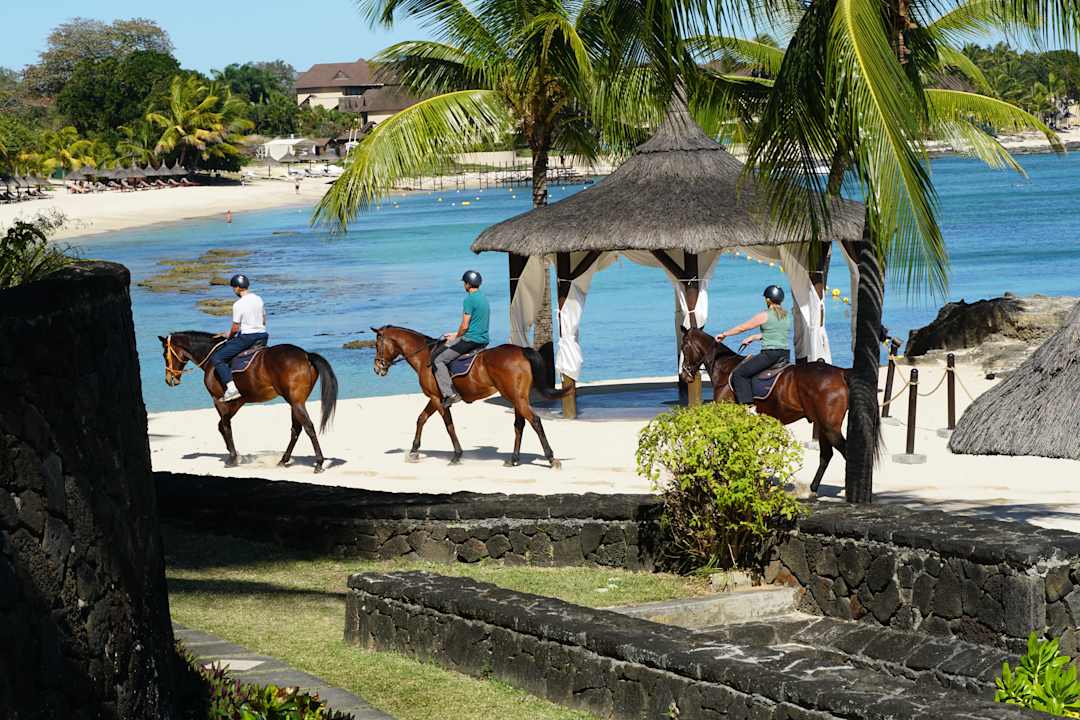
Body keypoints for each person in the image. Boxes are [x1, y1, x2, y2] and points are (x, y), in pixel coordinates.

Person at [715, 285, 791, 412]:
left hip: (770, 354)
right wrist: (754, 337)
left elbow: (742, 327)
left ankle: (748, 407)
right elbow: (775, 333)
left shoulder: (765, 315)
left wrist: (724, 334)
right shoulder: (786, 316)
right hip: (784, 354)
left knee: (739, 374)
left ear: (768, 300)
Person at [431, 270, 490, 406]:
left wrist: (456, 336)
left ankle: (450, 394)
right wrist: (454, 334)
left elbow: (464, 325)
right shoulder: (482, 297)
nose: (464, 285)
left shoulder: (469, 299)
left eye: (464, 283)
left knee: (438, 360)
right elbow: (474, 323)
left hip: (470, 340)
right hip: (483, 339)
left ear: (468, 284)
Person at [210, 274, 269, 402]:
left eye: (233, 288)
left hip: (248, 338)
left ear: (237, 288)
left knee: (217, 358)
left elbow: (235, 328)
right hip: (263, 335)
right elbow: (264, 319)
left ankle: (231, 389)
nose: (233, 290)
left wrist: (228, 336)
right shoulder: (258, 299)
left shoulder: (238, 304)